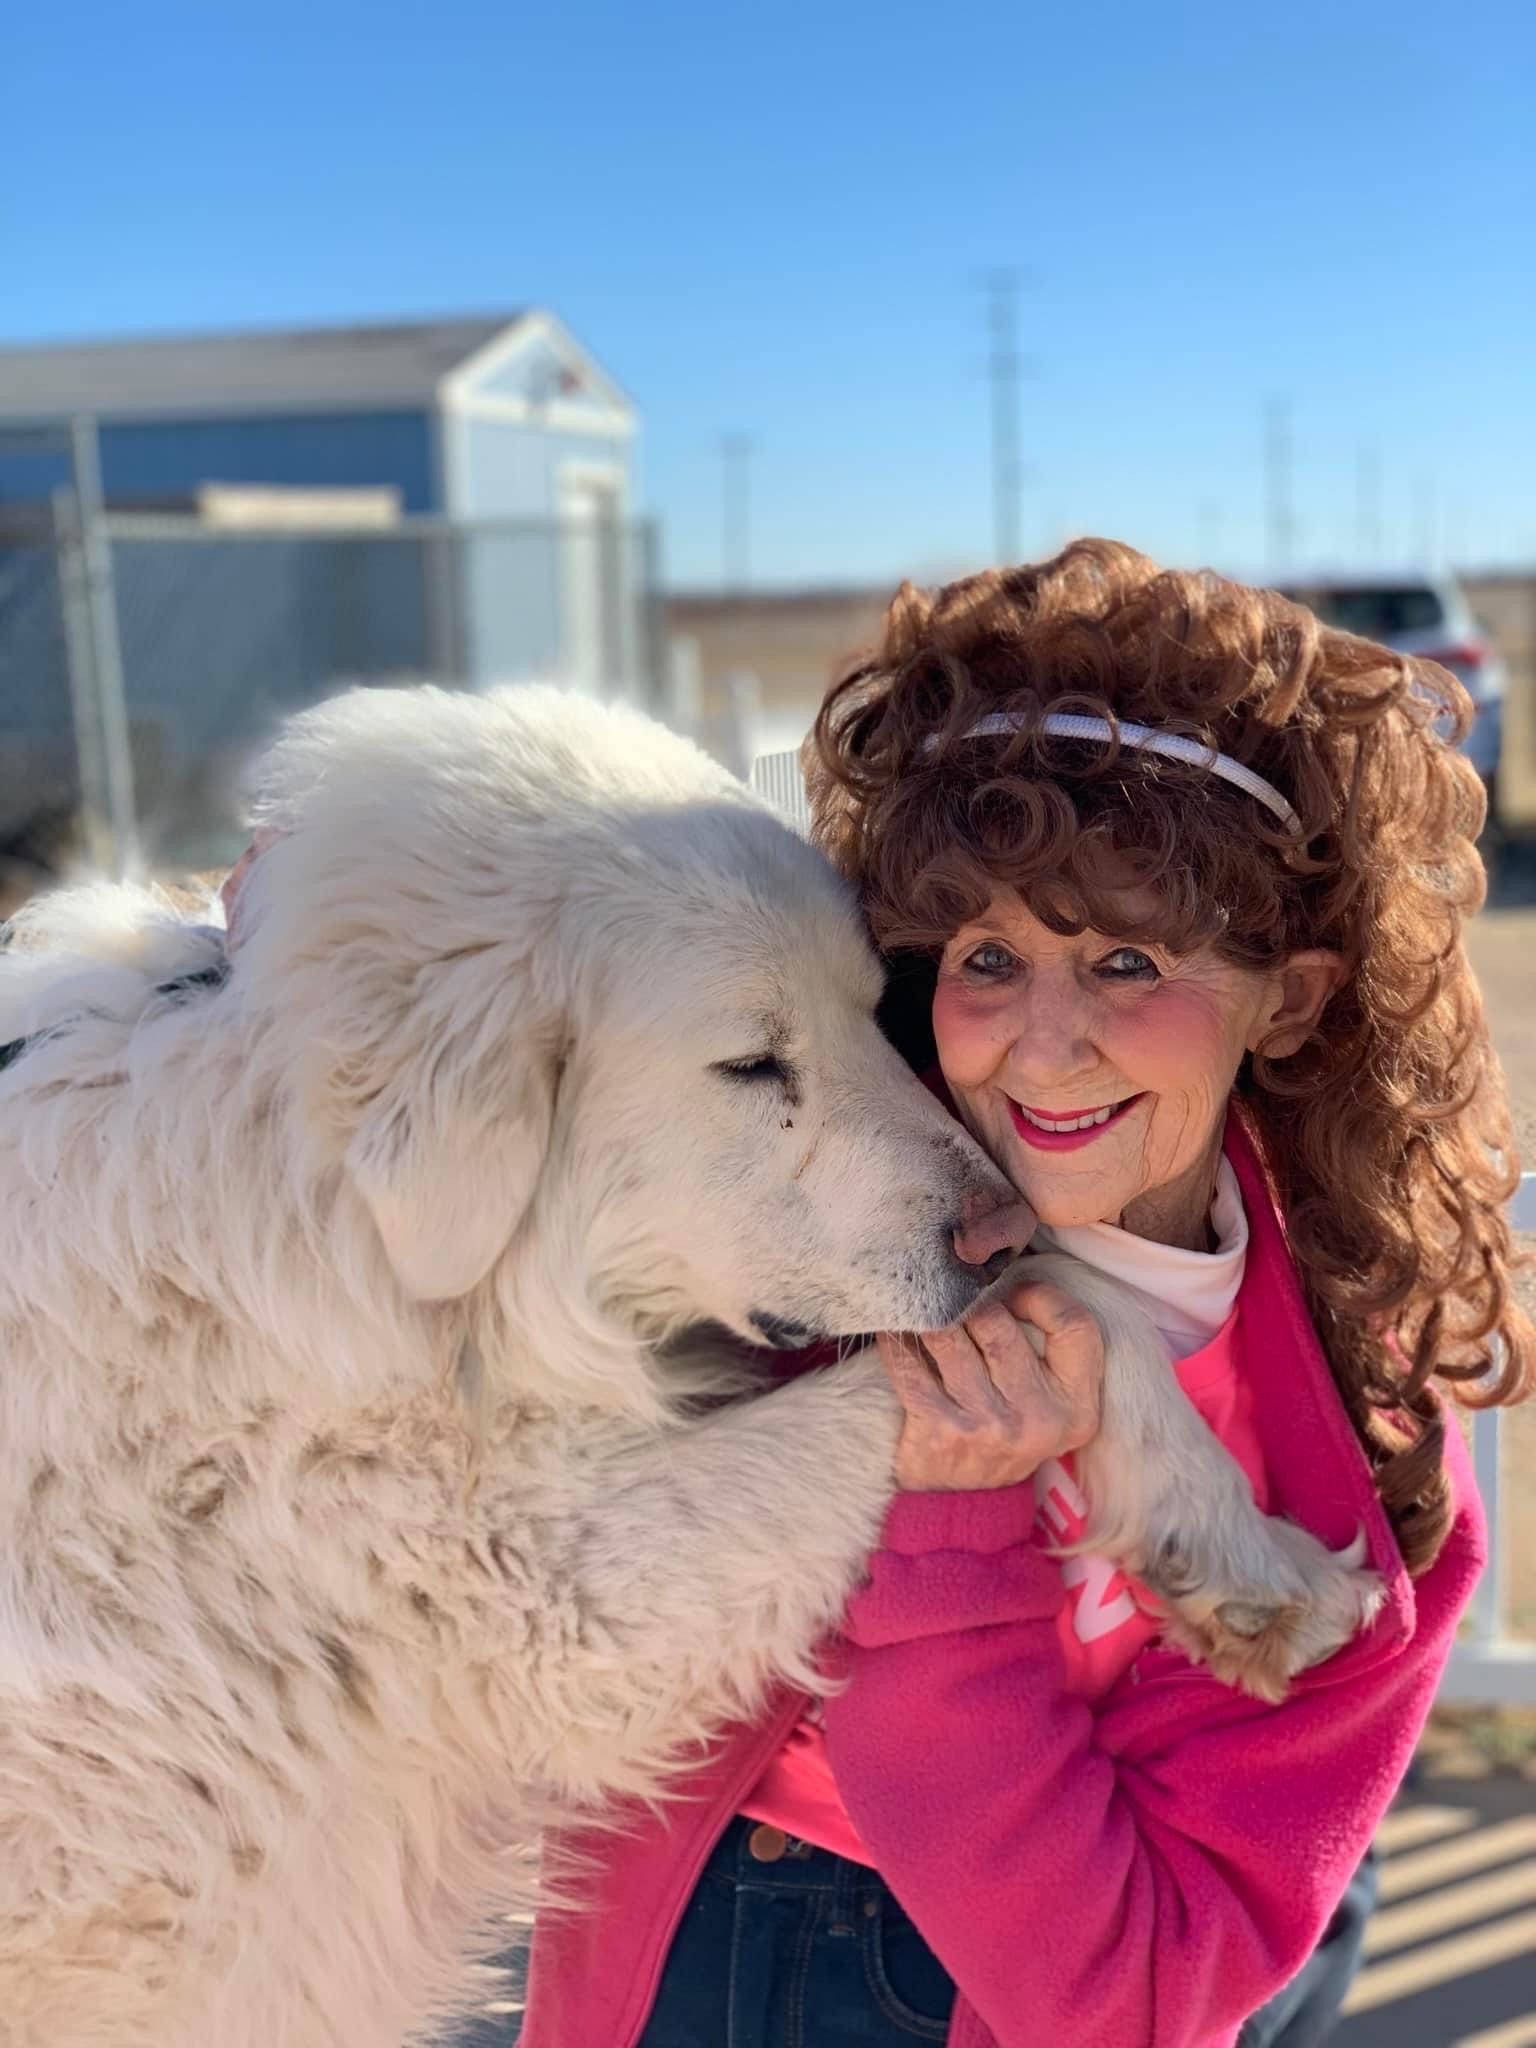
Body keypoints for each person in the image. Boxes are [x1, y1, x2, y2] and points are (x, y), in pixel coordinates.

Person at [507, 539, 1531, 2048]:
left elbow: (1130, 2000)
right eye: (991, 954)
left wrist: (952, 1522)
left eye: (1126, 960)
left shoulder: (1362, 1483)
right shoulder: (786, 1234)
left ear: (1291, 996)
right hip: (670, 1927)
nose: (1039, 1049)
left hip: (962, 1985)